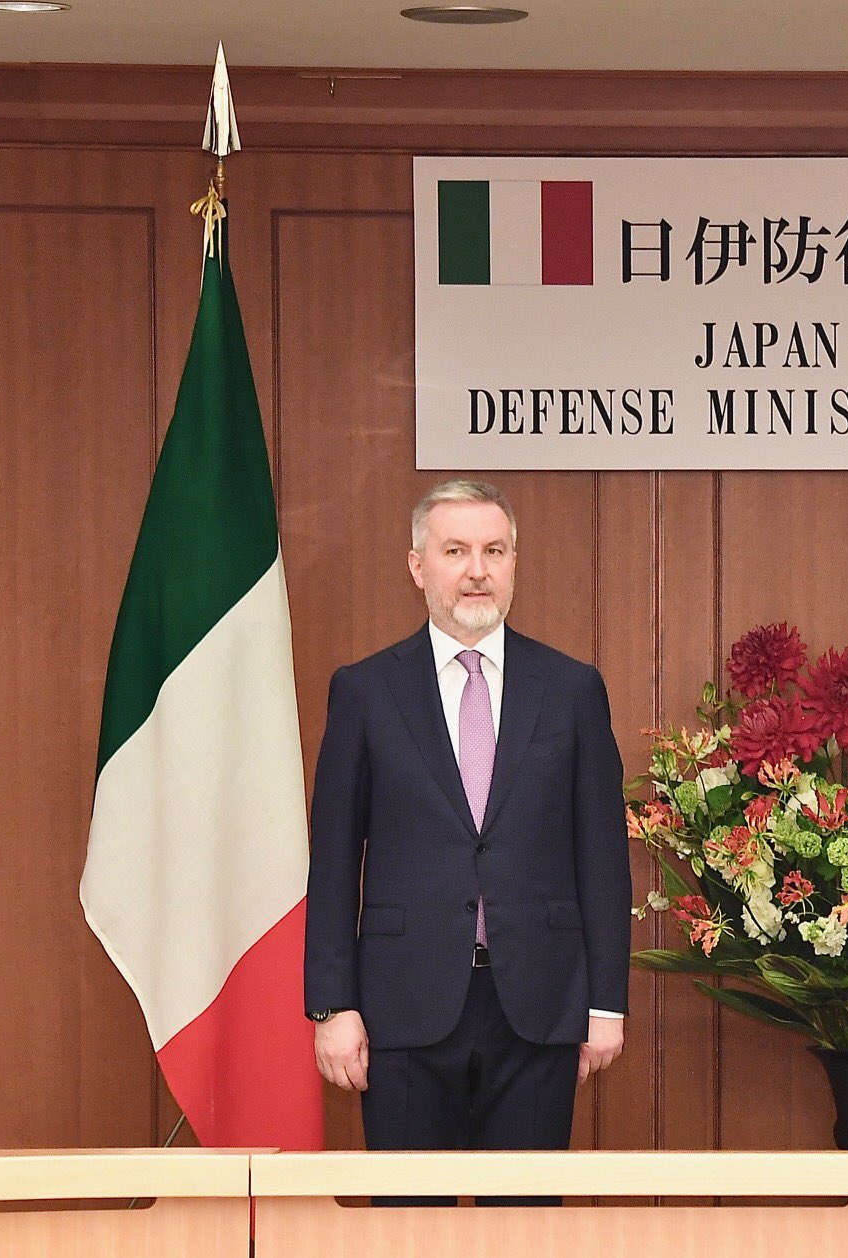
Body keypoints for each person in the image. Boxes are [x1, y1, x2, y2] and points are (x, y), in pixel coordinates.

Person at [303, 479, 629, 1199]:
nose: (477, 570)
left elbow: (603, 858)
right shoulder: (365, 691)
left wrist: (605, 1003)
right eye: (455, 551)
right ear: (418, 566)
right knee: (408, 1226)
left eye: (494, 551)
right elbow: (333, 859)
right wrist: (331, 1005)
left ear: (514, 563)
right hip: (401, 1006)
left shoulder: (572, 689)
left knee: (524, 1225)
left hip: (539, 1006)